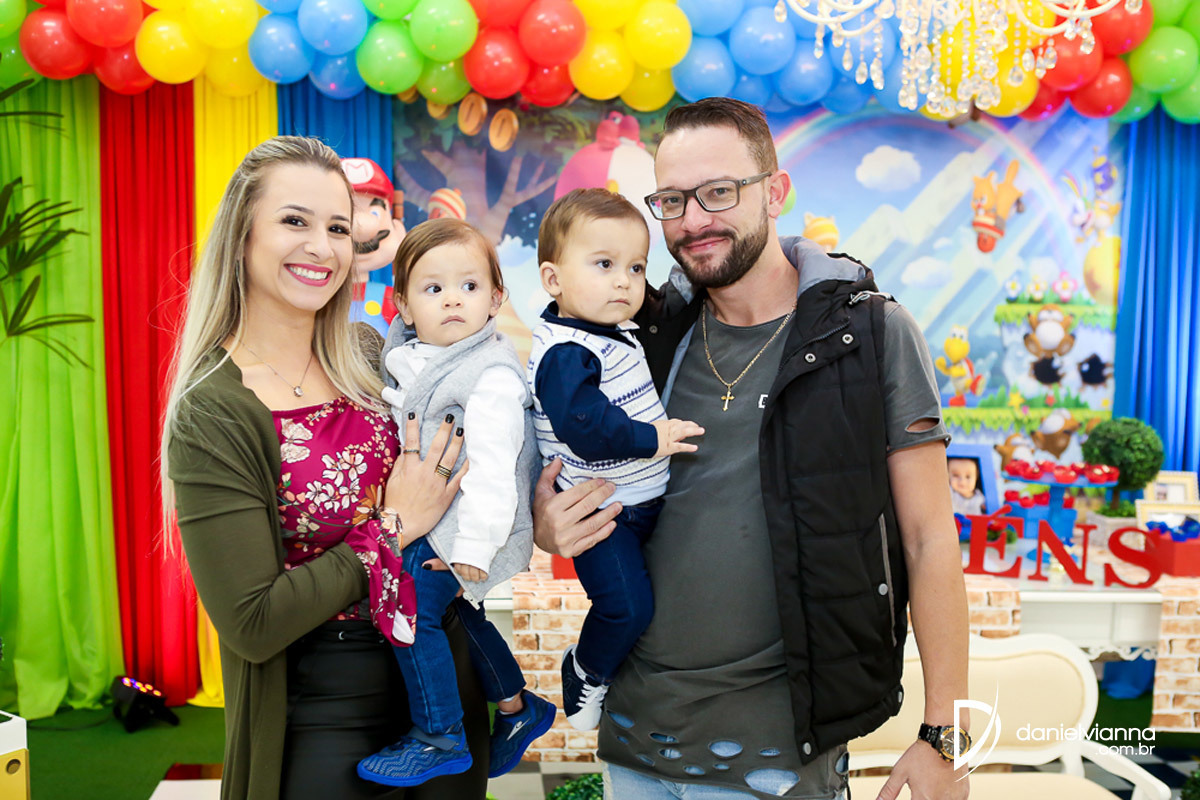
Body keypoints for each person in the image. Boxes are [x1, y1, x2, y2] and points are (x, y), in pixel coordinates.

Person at [532, 98, 971, 800]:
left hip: (777, 756)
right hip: (636, 740)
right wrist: (549, 524)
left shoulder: (870, 335)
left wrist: (945, 736)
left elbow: (928, 539)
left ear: (775, 191)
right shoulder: (650, 337)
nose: (693, 220)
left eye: (718, 192)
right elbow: (571, 462)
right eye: (672, 200)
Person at [161, 136, 492, 800]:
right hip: (322, 709)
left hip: (445, 685)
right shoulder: (214, 409)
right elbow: (253, 622)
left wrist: (541, 507)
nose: (322, 247)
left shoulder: (371, 355)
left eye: (338, 228)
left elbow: (466, 459)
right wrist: (392, 526)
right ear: (242, 236)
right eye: (295, 221)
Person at [356, 218, 556, 787]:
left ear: (495, 298)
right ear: (403, 305)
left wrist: (472, 548)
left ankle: (439, 734)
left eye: (469, 286)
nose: (452, 300)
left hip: (470, 525)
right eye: (433, 288)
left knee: (410, 606)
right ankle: (517, 707)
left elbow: (496, 468)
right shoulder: (413, 353)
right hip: (435, 517)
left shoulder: (490, 376)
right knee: (459, 614)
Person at [526, 188, 704, 731]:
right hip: (602, 516)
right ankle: (587, 670)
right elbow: (587, 428)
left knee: (651, 604)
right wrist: (654, 438)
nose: (625, 281)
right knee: (626, 606)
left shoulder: (608, 333)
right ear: (553, 279)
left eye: (636, 267)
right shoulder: (566, 352)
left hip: (638, 506)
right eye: (604, 265)